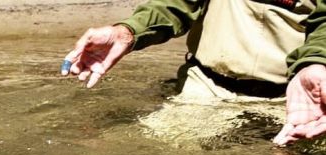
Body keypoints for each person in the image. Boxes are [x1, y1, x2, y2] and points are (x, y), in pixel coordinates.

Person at [60, 0, 326, 146]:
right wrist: (128, 31)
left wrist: (316, 63)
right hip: (208, 87)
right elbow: (176, 3)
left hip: (300, 94)